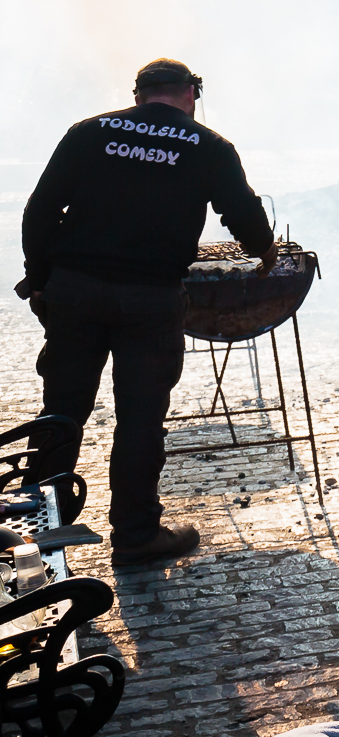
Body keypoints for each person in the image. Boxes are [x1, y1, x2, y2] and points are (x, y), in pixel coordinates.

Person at [16, 58, 275, 566]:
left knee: (61, 411)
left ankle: (38, 533)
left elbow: (39, 210)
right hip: (150, 300)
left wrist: (41, 279)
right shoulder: (209, 145)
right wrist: (265, 251)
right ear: (191, 94)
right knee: (140, 418)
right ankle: (136, 536)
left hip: (76, 292)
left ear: (138, 96)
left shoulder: (89, 132)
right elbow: (242, 213)